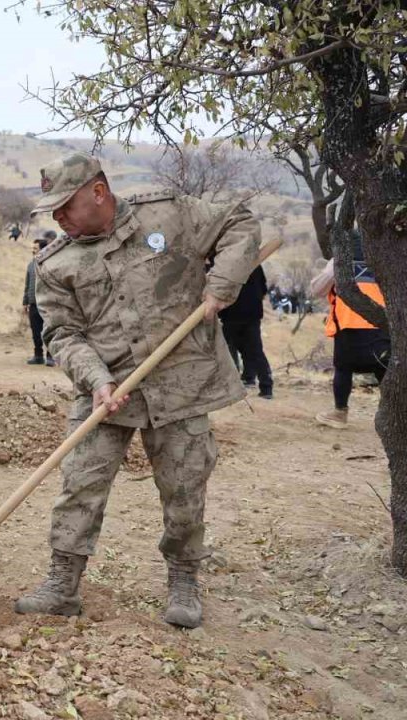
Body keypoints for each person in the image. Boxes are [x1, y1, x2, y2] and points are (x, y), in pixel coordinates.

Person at [16, 151, 259, 629]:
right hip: (106, 389)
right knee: (80, 483)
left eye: (66, 207)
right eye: (53, 212)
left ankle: (184, 579)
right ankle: (62, 583)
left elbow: (239, 221)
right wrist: (98, 380)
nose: (59, 219)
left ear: (99, 191)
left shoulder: (169, 214)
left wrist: (222, 284)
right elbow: (62, 335)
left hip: (181, 385)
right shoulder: (55, 264)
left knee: (184, 488)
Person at [310, 233, 390, 429]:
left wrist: (334, 267)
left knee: (344, 369)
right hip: (382, 327)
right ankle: (398, 415)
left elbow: (317, 290)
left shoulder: (340, 261)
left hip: (349, 326)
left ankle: (339, 413)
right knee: (385, 372)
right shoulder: (386, 259)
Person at [218, 265, 273, 399]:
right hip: (251, 314)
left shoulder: (225, 264)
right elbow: (263, 289)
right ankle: (265, 386)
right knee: (254, 350)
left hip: (231, 314)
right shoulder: (256, 264)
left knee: (228, 350)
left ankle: (233, 385)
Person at [23, 230, 57, 367]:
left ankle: (50, 357)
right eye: (32, 248)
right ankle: (38, 356)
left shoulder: (51, 264)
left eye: (35, 249)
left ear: (43, 249)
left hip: (48, 304)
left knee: (49, 332)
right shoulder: (31, 265)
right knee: (35, 332)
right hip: (33, 304)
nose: (33, 251)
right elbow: (27, 284)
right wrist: (25, 302)